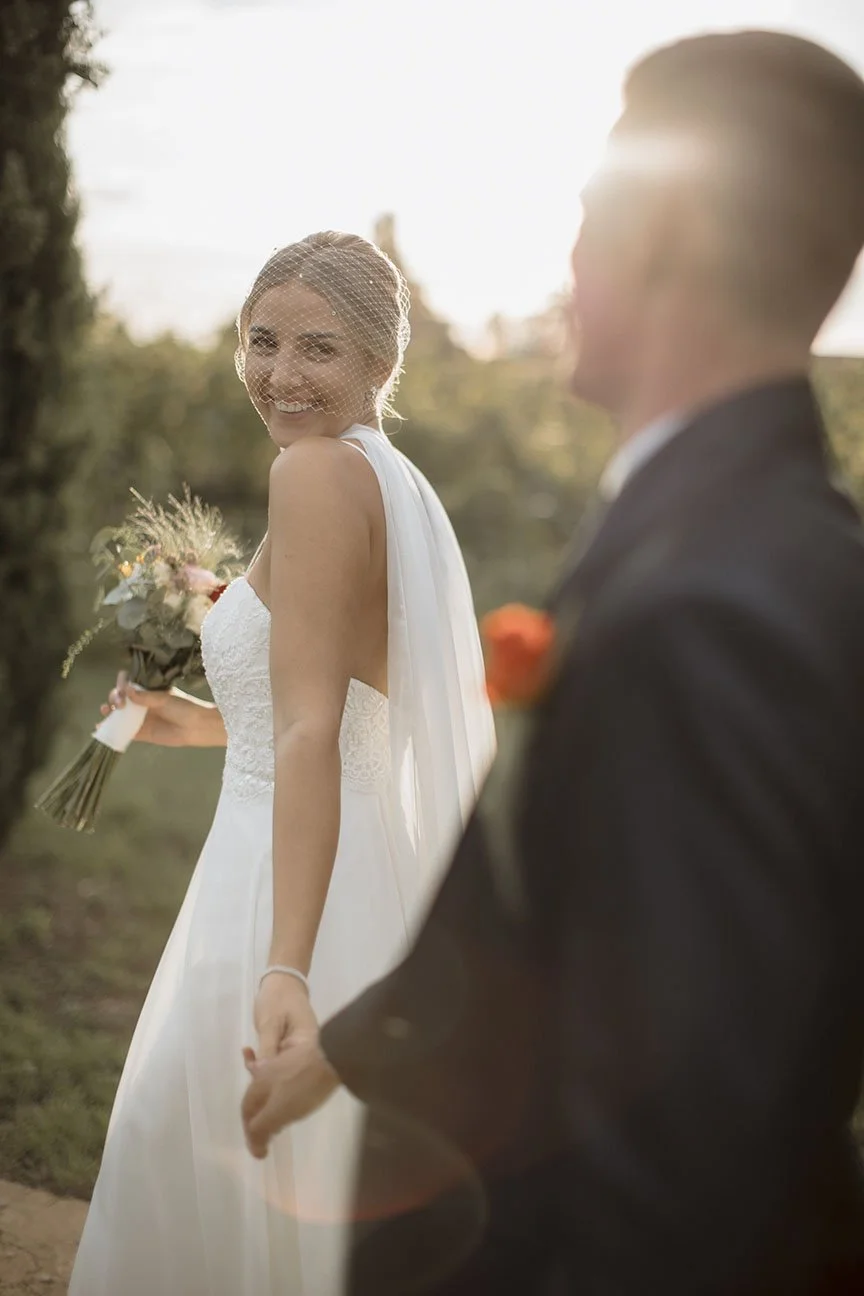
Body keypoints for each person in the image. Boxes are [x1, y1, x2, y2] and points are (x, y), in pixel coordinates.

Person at [242, 31, 864, 1296]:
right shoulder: (748, 540)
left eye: (589, 219)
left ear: (669, 234)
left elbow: (678, 1151)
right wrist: (347, 1046)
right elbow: (573, 928)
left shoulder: (710, 611)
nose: (568, 262)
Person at [68, 231, 495, 1296]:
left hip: (285, 889)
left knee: (200, 1148)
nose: (282, 375)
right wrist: (198, 721)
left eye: (321, 350)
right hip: (340, 865)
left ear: (379, 367)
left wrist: (286, 967)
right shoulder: (387, 481)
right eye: (262, 342)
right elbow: (329, 705)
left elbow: (313, 733)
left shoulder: (314, 472)